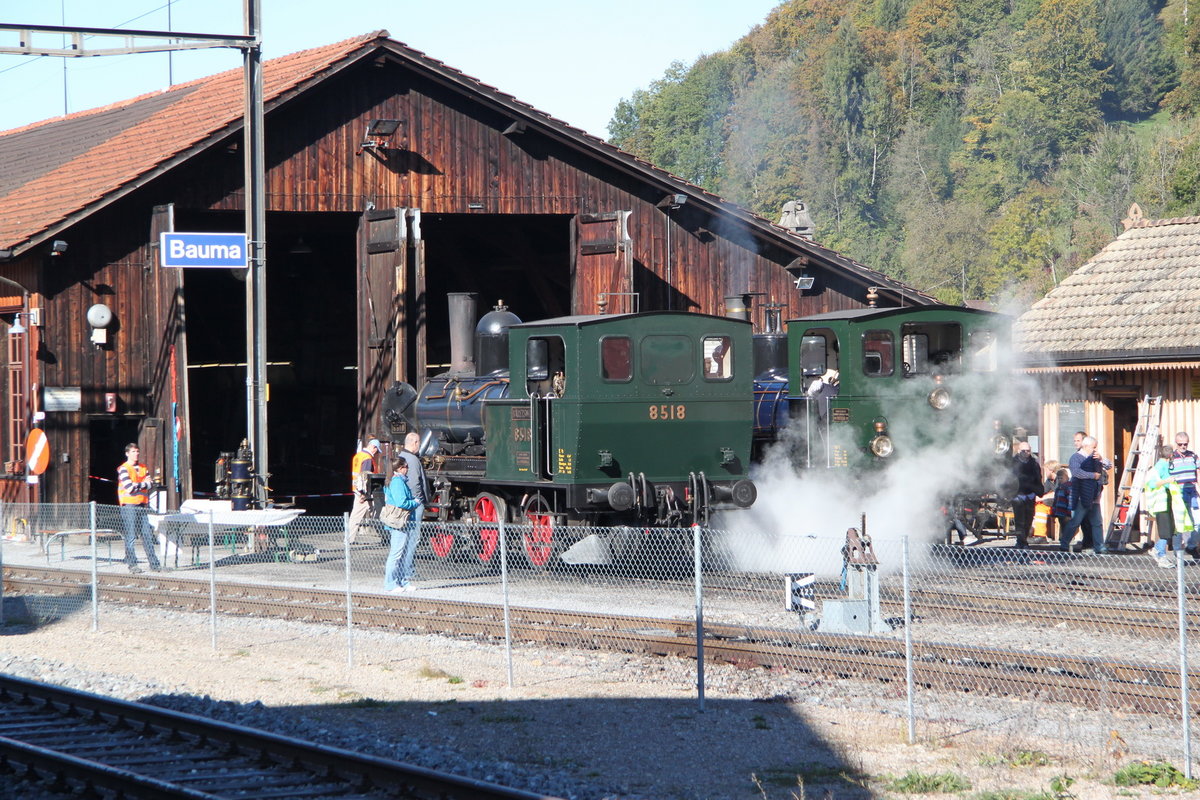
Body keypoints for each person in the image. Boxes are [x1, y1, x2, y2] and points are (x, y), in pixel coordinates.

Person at [1146, 445, 1195, 568]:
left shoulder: (1165, 465)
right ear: (1171, 456)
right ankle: (1160, 554)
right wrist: (1168, 481)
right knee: (1165, 531)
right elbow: (1152, 483)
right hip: (1161, 503)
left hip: (1168, 501)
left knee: (1171, 529)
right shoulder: (1160, 466)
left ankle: (1158, 550)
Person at [1059, 435, 1107, 554]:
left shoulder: (1095, 457)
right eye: (1093, 447)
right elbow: (1076, 473)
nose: (1095, 450)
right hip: (1081, 495)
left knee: (1097, 522)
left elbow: (1109, 465)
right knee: (1076, 521)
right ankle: (1064, 544)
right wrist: (1092, 476)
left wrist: (1101, 459)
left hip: (1094, 495)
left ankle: (1099, 546)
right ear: (1085, 446)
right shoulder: (1075, 458)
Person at [117, 443, 160, 574]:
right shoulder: (123, 468)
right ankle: (132, 564)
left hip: (141, 505)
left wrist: (141, 484)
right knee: (130, 536)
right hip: (129, 505)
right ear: (127, 453)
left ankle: (154, 564)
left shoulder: (143, 468)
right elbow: (129, 488)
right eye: (134, 451)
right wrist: (144, 483)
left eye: (137, 451)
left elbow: (150, 484)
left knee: (147, 535)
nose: (136, 454)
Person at [394, 430, 428, 589]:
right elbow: (415, 484)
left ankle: (402, 571)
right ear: (414, 443)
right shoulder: (413, 460)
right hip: (414, 504)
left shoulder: (401, 456)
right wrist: (417, 500)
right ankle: (408, 571)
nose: (419, 445)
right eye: (418, 443)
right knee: (412, 538)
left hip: (405, 502)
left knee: (404, 538)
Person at [382, 458, 422, 593]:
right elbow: (401, 502)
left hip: (402, 521)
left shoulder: (394, 480)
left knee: (402, 553)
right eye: (406, 467)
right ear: (399, 468)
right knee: (396, 553)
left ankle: (402, 581)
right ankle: (390, 584)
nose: (407, 469)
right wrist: (415, 502)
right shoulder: (397, 482)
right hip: (399, 522)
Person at [348, 436, 381, 544]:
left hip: (357, 490)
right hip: (364, 494)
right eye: (377, 450)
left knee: (356, 517)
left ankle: (348, 539)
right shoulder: (367, 458)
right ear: (374, 447)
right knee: (379, 513)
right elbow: (365, 477)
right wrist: (363, 494)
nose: (376, 453)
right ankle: (348, 540)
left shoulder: (358, 456)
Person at [1009, 442, 1042, 548]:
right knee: (1019, 520)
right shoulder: (1012, 463)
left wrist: (1038, 489)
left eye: (1028, 450)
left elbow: (1038, 477)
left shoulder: (1034, 463)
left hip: (1030, 493)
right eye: (1024, 450)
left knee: (1029, 519)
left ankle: (1024, 540)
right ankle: (1020, 542)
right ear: (1019, 451)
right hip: (1018, 494)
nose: (1026, 453)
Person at [1168, 432, 1198, 535]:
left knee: (1197, 521)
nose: (1183, 446)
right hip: (1178, 494)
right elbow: (1166, 476)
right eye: (1180, 444)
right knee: (1179, 522)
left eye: (1185, 444)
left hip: (1192, 492)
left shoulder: (1193, 456)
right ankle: (1177, 548)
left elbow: (1198, 473)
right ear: (1176, 443)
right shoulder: (1171, 458)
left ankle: (1191, 545)